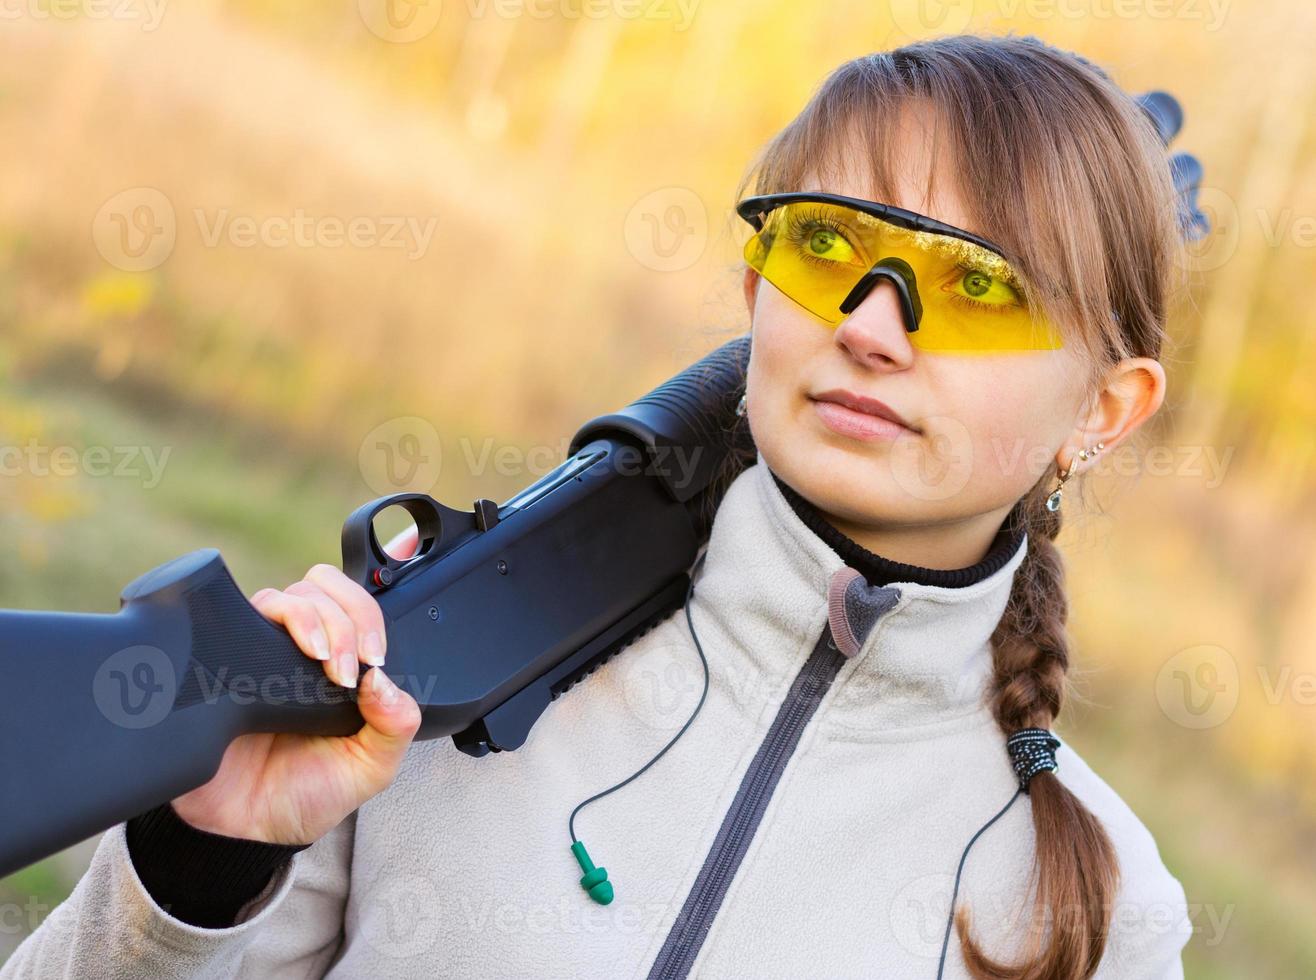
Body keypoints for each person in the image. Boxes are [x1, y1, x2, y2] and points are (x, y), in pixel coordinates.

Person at [1, 33, 1195, 979]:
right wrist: (202, 864)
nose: (869, 326)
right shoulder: (408, 677)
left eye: (979, 283)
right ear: (752, 287)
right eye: (826, 243)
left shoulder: (1104, 913)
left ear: (1105, 409)